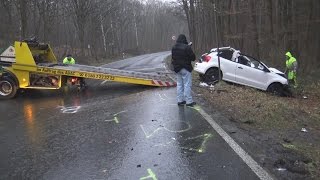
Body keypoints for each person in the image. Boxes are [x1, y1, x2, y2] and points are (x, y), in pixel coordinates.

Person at [171, 34, 196, 107]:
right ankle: (189, 101)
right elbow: (193, 58)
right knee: (187, 84)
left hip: (177, 69)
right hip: (186, 68)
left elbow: (173, 57)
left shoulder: (174, 47)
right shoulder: (187, 47)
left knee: (179, 84)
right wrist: (189, 48)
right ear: (184, 39)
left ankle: (180, 100)